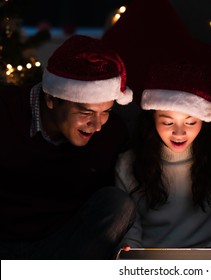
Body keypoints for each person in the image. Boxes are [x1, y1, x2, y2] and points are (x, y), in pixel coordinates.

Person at [0, 35, 136, 259]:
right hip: (4, 240)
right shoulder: (6, 111)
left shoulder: (111, 134)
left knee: (117, 203)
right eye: (86, 112)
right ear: (52, 99)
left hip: (60, 247)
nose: (97, 125)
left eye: (106, 112)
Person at [115, 62, 211, 249]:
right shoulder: (128, 163)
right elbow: (130, 235)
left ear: (203, 119)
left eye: (191, 123)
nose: (179, 133)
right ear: (153, 118)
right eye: (168, 123)